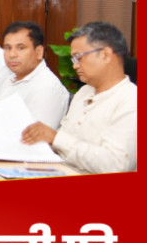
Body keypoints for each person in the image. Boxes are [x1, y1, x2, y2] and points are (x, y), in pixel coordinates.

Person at [22, 22, 136, 174]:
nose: (75, 66)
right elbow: (62, 141)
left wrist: (56, 139)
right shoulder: (84, 92)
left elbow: (116, 165)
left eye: (78, 57)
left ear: (106, 55)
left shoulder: (131, 99)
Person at [0, 21, 69, 129]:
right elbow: (1, 116)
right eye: (8, 48)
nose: (12, 55)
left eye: (21, 48)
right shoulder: (11, 77)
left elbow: (35, 137)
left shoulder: (47, 88)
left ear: (39, 52)